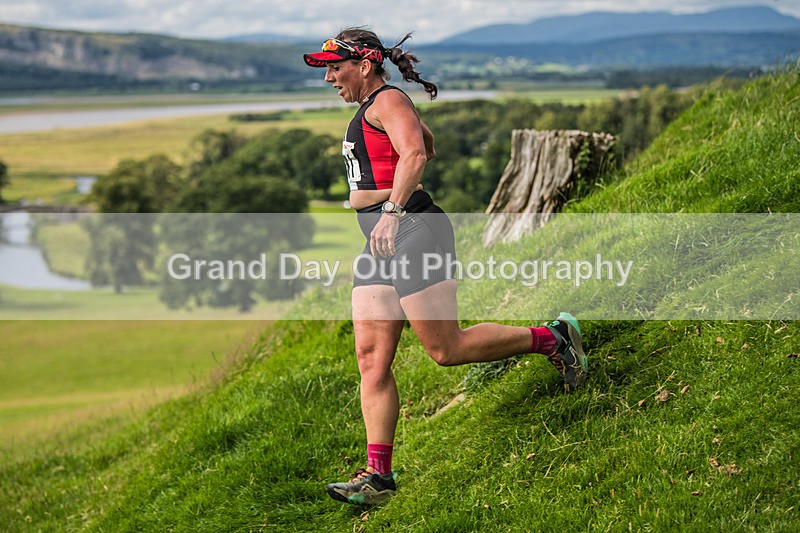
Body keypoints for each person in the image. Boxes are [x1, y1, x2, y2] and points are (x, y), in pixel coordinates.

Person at [302, 27, 587, 505]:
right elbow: (425, 146)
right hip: (381, 240)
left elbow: (416, 154)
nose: (329, 77)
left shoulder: (388, 100)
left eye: (335, 67)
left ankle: (552, 338)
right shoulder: (376, 106)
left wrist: (391, 210)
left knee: (445, 348)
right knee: (371, 358)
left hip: (412, 229)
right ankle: (378, 477)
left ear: (364, 65)